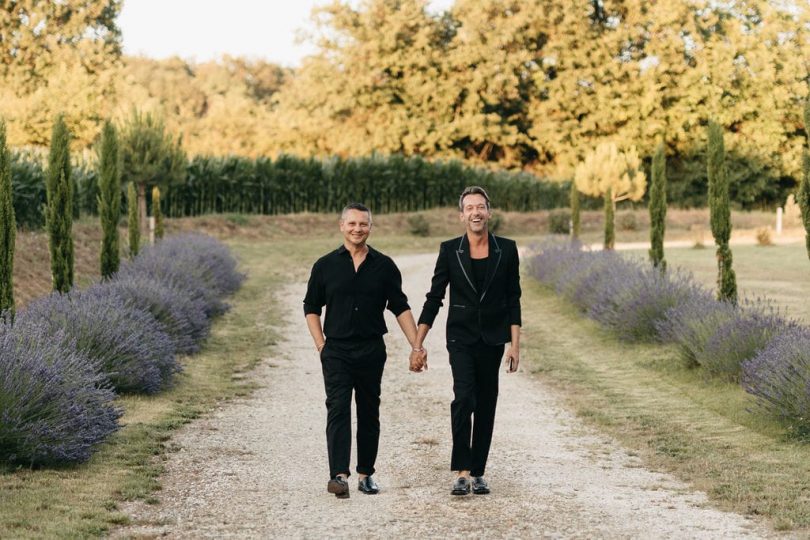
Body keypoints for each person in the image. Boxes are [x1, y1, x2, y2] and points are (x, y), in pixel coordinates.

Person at [304, 202, 424, 499]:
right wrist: (321, 345)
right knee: (338, 408)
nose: (357, 229)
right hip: (337, 350)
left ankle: (366, 474)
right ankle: (339, 475)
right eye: (352, 224)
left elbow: (400, 307)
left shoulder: (384, 266)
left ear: (370, 227)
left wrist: (417, 346)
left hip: (371, 349)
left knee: (369, 411)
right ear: (341, 226)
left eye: (363, 224)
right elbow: (311, 307)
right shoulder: (325, 266)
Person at [410, 186, 522, 496]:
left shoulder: (507, 250)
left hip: (493, 339)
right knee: (464, 398)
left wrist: (515, 344)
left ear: (489, 212)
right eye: (469, 207)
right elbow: (434, 298)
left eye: (480, 207)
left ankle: (478, 472)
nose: (475, 212)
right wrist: (418, 343)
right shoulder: (449, 250)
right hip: (460, 336)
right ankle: (461, 470)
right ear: (462, 215)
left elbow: (514, 298)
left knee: (487, 403)